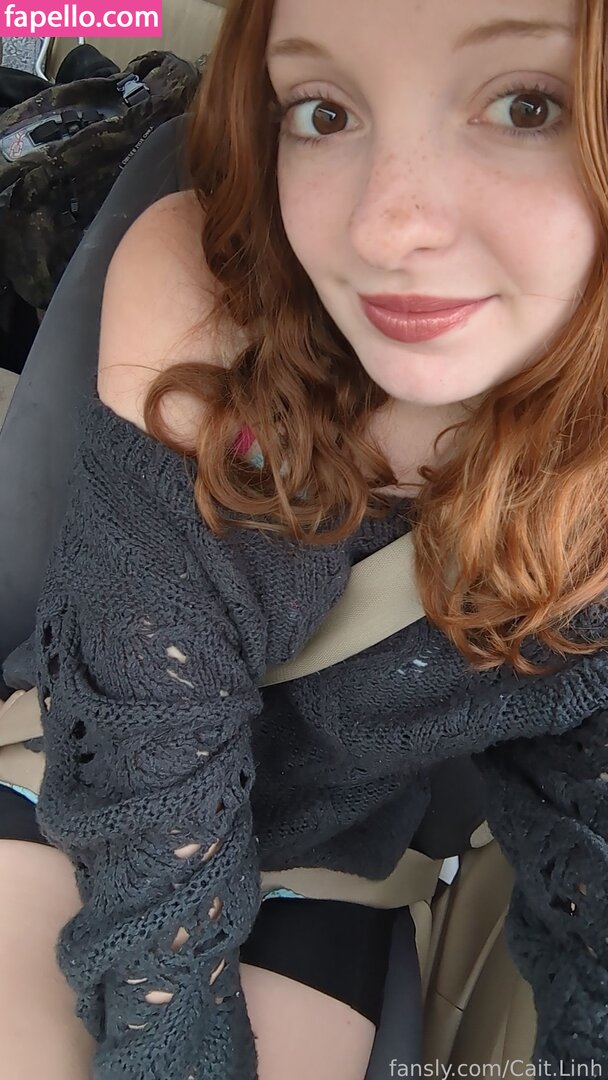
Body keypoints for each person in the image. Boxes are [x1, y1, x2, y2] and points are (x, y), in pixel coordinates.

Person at [1, 0, 607, 1077]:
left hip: (329, 854)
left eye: (525, 105)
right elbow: (141, 762)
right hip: (86, 783)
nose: (384, 227)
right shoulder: (207, 297)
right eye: (323, 112)